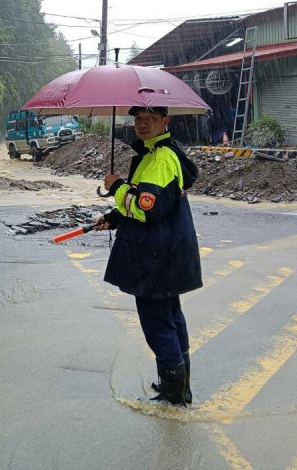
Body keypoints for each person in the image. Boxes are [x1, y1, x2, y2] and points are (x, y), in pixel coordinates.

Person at [94, 106, 202, 406]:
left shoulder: (161, 158)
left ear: (165, 121)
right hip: (168, 251)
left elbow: (146, 208)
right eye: (138, 119)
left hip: (157, 256)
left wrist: (115, 186)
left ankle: (173, 394)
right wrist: (116, 217)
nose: (142, 125)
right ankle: (181, 386)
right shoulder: (156, 154)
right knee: (171, 318)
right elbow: (148, 200)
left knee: (157, 324)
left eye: (150, 119)